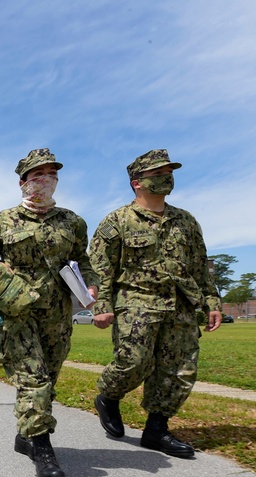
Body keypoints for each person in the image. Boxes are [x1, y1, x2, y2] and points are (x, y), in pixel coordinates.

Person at [0, 149, 98, 477]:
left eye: (51, 173)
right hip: (17, 313)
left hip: (58, 314)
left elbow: (81, 261)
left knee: (49, 379)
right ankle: (43, 449)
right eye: (38, 174)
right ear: (23, 182)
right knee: (35, 380)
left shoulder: (72, 222)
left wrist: (92, 285)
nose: (46, 180)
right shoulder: (1, 221)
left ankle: (25, 436)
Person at [89, 149, 222, 459]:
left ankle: (156, 431)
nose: (167, 177)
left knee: (179, 370)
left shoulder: (185, 221)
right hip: (136, 302)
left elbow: (201, 267)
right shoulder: (117, 221)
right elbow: (101, 269)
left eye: (169, 171)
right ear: (137, 182)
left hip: (180, 305)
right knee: (134, 361)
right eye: (158, 173)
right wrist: (101, 306)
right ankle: (108, 396)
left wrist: (211, 302)